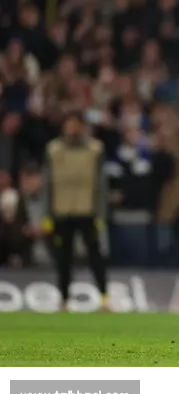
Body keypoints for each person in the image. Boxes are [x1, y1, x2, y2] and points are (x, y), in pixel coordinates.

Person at [41, 112, 110, 312]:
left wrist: (101, 214)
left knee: (95, 256)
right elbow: (47, 183)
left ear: (82, 127)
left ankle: (104, 299)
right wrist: (46, 215)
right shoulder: (53, 150)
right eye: (69, 125)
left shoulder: (95, 149)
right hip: (61, 211)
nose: (72, 129)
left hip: (87, 210)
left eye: (75, 125)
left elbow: (101, 185)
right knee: (63, 258)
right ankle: (64, 300)